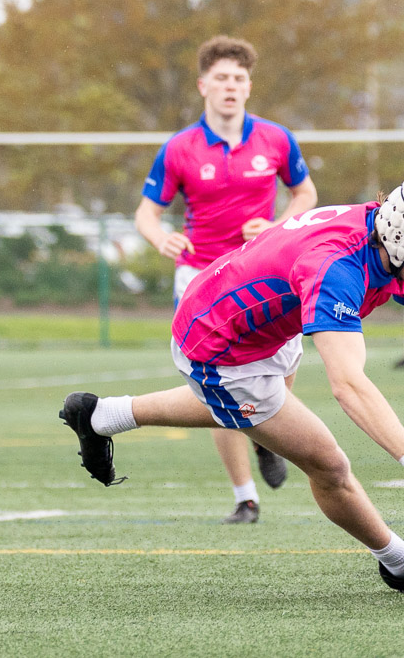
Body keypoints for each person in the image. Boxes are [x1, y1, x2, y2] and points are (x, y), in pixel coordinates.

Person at [61, 171, 404, 595]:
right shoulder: (337, 269)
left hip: (271, 320)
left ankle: (101, 415)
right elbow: (348, 385)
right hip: (219, 343)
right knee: (328, 464)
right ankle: (402, 565)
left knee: (259, 413)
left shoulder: (392, 238)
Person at [134, 35, 320, 523]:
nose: (230, 86)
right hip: (201, 280)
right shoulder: (179, 148)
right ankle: (244, 498)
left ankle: (268, 442)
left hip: (264, 273)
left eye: (238, 78)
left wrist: (279, 225)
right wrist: (160, 239)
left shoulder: (275, 139)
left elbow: (306, 194)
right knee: (214, 387)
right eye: (221, 78)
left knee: (278, 376)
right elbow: (146, 214)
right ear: (203, 86)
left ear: (249, 86)